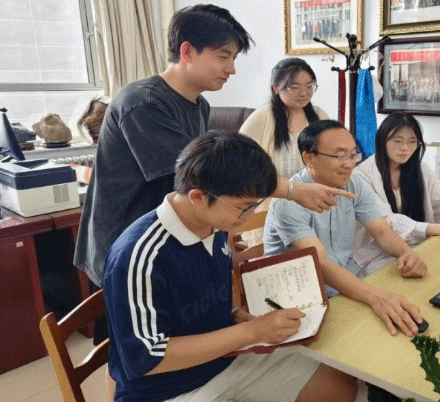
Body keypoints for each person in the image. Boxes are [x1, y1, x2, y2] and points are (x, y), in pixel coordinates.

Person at [75, 4, 352, 322]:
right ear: (187, 51)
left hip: (172, 242)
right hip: (129, 246)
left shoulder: (199, 105)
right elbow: (205, 175)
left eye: (234, 58)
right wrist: (291, 190)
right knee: (137, 343)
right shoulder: (143, 103)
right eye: (223, 56)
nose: (231, 69)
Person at [103, 131, 361, 402]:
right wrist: (251, 332)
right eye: (244, 208)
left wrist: (234, 316)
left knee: (339, 385)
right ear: (198, 197)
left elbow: (197, 299)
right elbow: (146, 357)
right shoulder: (138, 257)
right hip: (166, 390)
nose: (249, 216)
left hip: (224, 360)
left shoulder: (215, 224)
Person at [264, 119, 428, 337]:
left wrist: (407, 254)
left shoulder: (354, 183)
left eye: (352, 155)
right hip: (301, 296)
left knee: (412, 304)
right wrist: (374, 296)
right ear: (309, 157)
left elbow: (381, 231)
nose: (349, 164)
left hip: (347, 282)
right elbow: (319, 264)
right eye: (339, 156)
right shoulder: (288, 203)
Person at [353, 112, 440, 273]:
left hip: (418, 246)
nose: (405, 148)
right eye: (398, 141)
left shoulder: (421, 169)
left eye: (412, 142)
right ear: (382, 140)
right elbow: (386, 221)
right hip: (376, 254)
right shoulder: (361, 176)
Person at [240, 57, 329, 177]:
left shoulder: (320, 116)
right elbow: (241, 163)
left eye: (309, 86)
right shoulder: (261, 118)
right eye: (294, 87)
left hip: (314, 188)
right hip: (271, 188)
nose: (304, 93)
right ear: (276, 88)